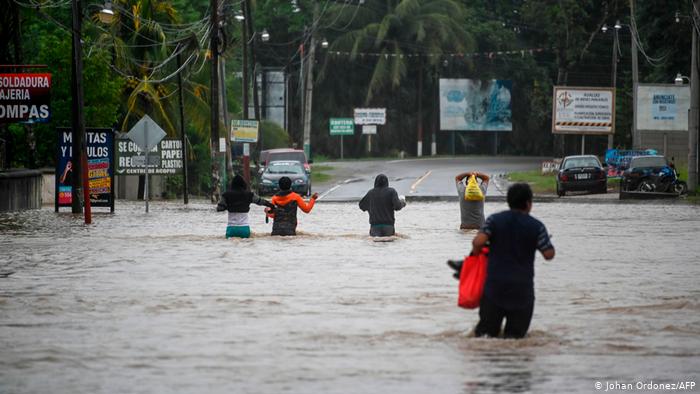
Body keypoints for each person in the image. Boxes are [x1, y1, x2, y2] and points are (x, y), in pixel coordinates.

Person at [470, 183, 555, 339]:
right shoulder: (536, 226)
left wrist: (476, 257)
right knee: (515, 340)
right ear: (529, 203)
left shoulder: (494, 220)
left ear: (509, 201)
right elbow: (548, 254)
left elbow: (477, 242)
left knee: (484, 338)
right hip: (522, 293)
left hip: (494, 290)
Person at [217, 174, 274, 239]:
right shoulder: (249, 195)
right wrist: (271, 205)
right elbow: (261, 201)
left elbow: (219, 208)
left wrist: (228, 207)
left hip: (231, 229)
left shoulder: (226, 195)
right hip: (244, 229)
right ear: (243, 184)